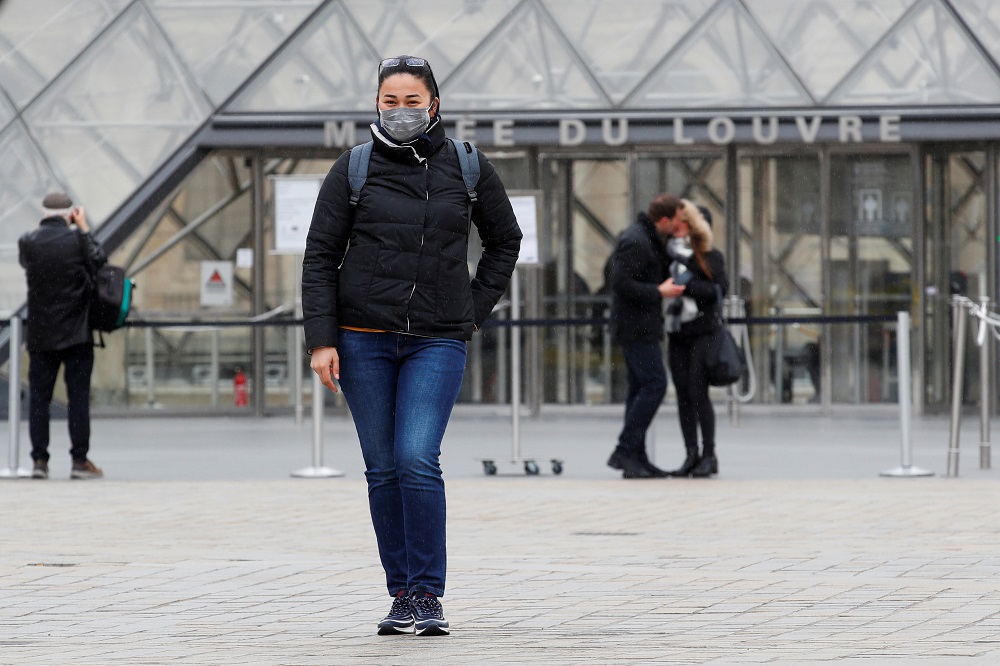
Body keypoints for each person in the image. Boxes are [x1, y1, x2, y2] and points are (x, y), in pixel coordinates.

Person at [301, 55, 521, 637]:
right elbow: (320, 258)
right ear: (377, 103)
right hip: (362, 340)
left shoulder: (469, 166)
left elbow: (505, 241)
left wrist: (471, 312)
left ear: (434, 104)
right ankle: (400, 594)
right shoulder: (352, 169)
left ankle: (429, 594)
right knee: (382, 468)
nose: (401, 112)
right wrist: (321, 340)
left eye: (412, 101)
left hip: (436, 340)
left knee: (416, 458)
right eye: (390, 101)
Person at [18, 192, 106, 480]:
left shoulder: (28, 241)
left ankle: (39, 462)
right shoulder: (77, 241)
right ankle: (79, 461)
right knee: (78, 398)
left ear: (42, 213)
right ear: (70, 214)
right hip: (76, 334)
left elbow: (28, 266)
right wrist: (83, 229)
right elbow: (99, 261)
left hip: (41, 334)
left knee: (39, 399)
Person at [606, 194, 686, 479]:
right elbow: (621, 283)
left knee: (639, 388)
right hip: (635, 328)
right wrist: (657, 292)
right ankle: (625, 450)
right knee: (655, 384)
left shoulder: (651, 239)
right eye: (677, 221)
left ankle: (635, 457)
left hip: (644, 325)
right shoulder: (636, 240)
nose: (679, 226)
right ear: (663, 220)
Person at [665, 203, 728, 478]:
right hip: (677, 333)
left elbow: (718, 290)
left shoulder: (710, 256)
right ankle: (690, 453)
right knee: (682, 395)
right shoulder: (667, 253)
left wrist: (685, 284)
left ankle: (709, 454)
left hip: (703, 333)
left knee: (698, 392)